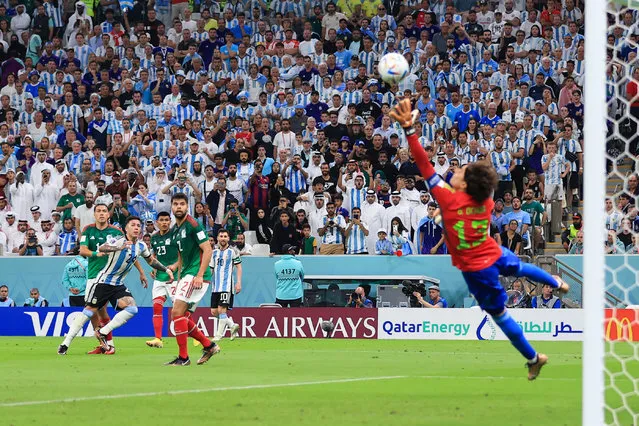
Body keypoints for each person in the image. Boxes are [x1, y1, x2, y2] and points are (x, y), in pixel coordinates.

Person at [390, 98, 569, 380]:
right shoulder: (485, 200)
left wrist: (410, 131)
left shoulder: (447, 198)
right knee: (519, 267)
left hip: (476, 267)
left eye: (460, 172)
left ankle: (534, 358)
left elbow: (424, 165)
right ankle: (556, 281)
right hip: (492, 251)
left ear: (463, 183)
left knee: (500, 316)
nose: (456, 171)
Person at [59, 216, 173, 356]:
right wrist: (117, 246)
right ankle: (65, 343)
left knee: (132, 309)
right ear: (126, 228)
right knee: (89, 312)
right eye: (133, 225)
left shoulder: (141, 246)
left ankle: (103, 331)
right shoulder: (118, 239)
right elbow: (102, 247)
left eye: (138, 225)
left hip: (118, 284)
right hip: (103, 282)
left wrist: (166, 269)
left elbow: (151, 260)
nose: (136, 227)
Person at [166, 193, 220, 366]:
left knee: (176, 313)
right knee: (181, 316)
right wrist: (176, 269)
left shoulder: (193, 225)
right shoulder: (175, 230)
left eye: (182, 204)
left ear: (187, 206)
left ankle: (184, 357)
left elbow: (207, 249)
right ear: (172, 207)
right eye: (175, 204)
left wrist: (199, 275)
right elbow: (183, 255)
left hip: (197, 275)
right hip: (187, 274)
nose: (179, 207)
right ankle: (208, 345)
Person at [146, 211, 178, 349]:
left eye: (166, 220)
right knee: (157, 307)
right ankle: (158, 338)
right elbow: (155, 254)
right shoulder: (154, 238)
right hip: (159, 277)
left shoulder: (175, 235)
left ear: (170, 221)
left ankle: (196, 337)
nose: (164, 222)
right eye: (161, 220)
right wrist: (154, 268)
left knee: (180, 309)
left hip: (175, 278)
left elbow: (183, 253)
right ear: (156, 223)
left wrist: (176, 265)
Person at [209, 229, 242, 342]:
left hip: (227, 286)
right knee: (214, 312)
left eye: (225, 236)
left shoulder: (233, 252)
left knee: (222, 310)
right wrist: (205, 280)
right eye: (221, 236)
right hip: (215, 287)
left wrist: (238, 282)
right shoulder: (214, 253)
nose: (223, 238)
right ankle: (232, 325)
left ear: (228, 238)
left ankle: (218, 335)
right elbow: (211, 270)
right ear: (217, 238)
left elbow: (239, 267)